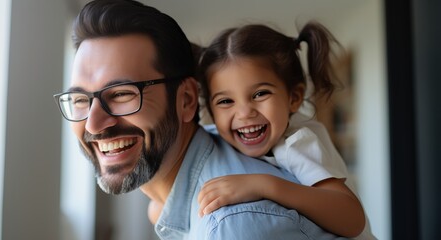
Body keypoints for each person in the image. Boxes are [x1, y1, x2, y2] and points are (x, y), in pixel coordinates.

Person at [53, 0, 347, 239]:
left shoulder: (233, 227)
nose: (92, 123)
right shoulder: (173, 198)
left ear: (187, 100)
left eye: (121, 94)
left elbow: (350, 215)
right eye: (80, 100)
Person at [196, 23, 375, 239]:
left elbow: (352, 219)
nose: (244, 113)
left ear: (294, 98)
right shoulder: (215, 135)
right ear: (211, 111)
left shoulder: (297, 142)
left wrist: (264, 185)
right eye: (225, 101)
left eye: (260, 94)